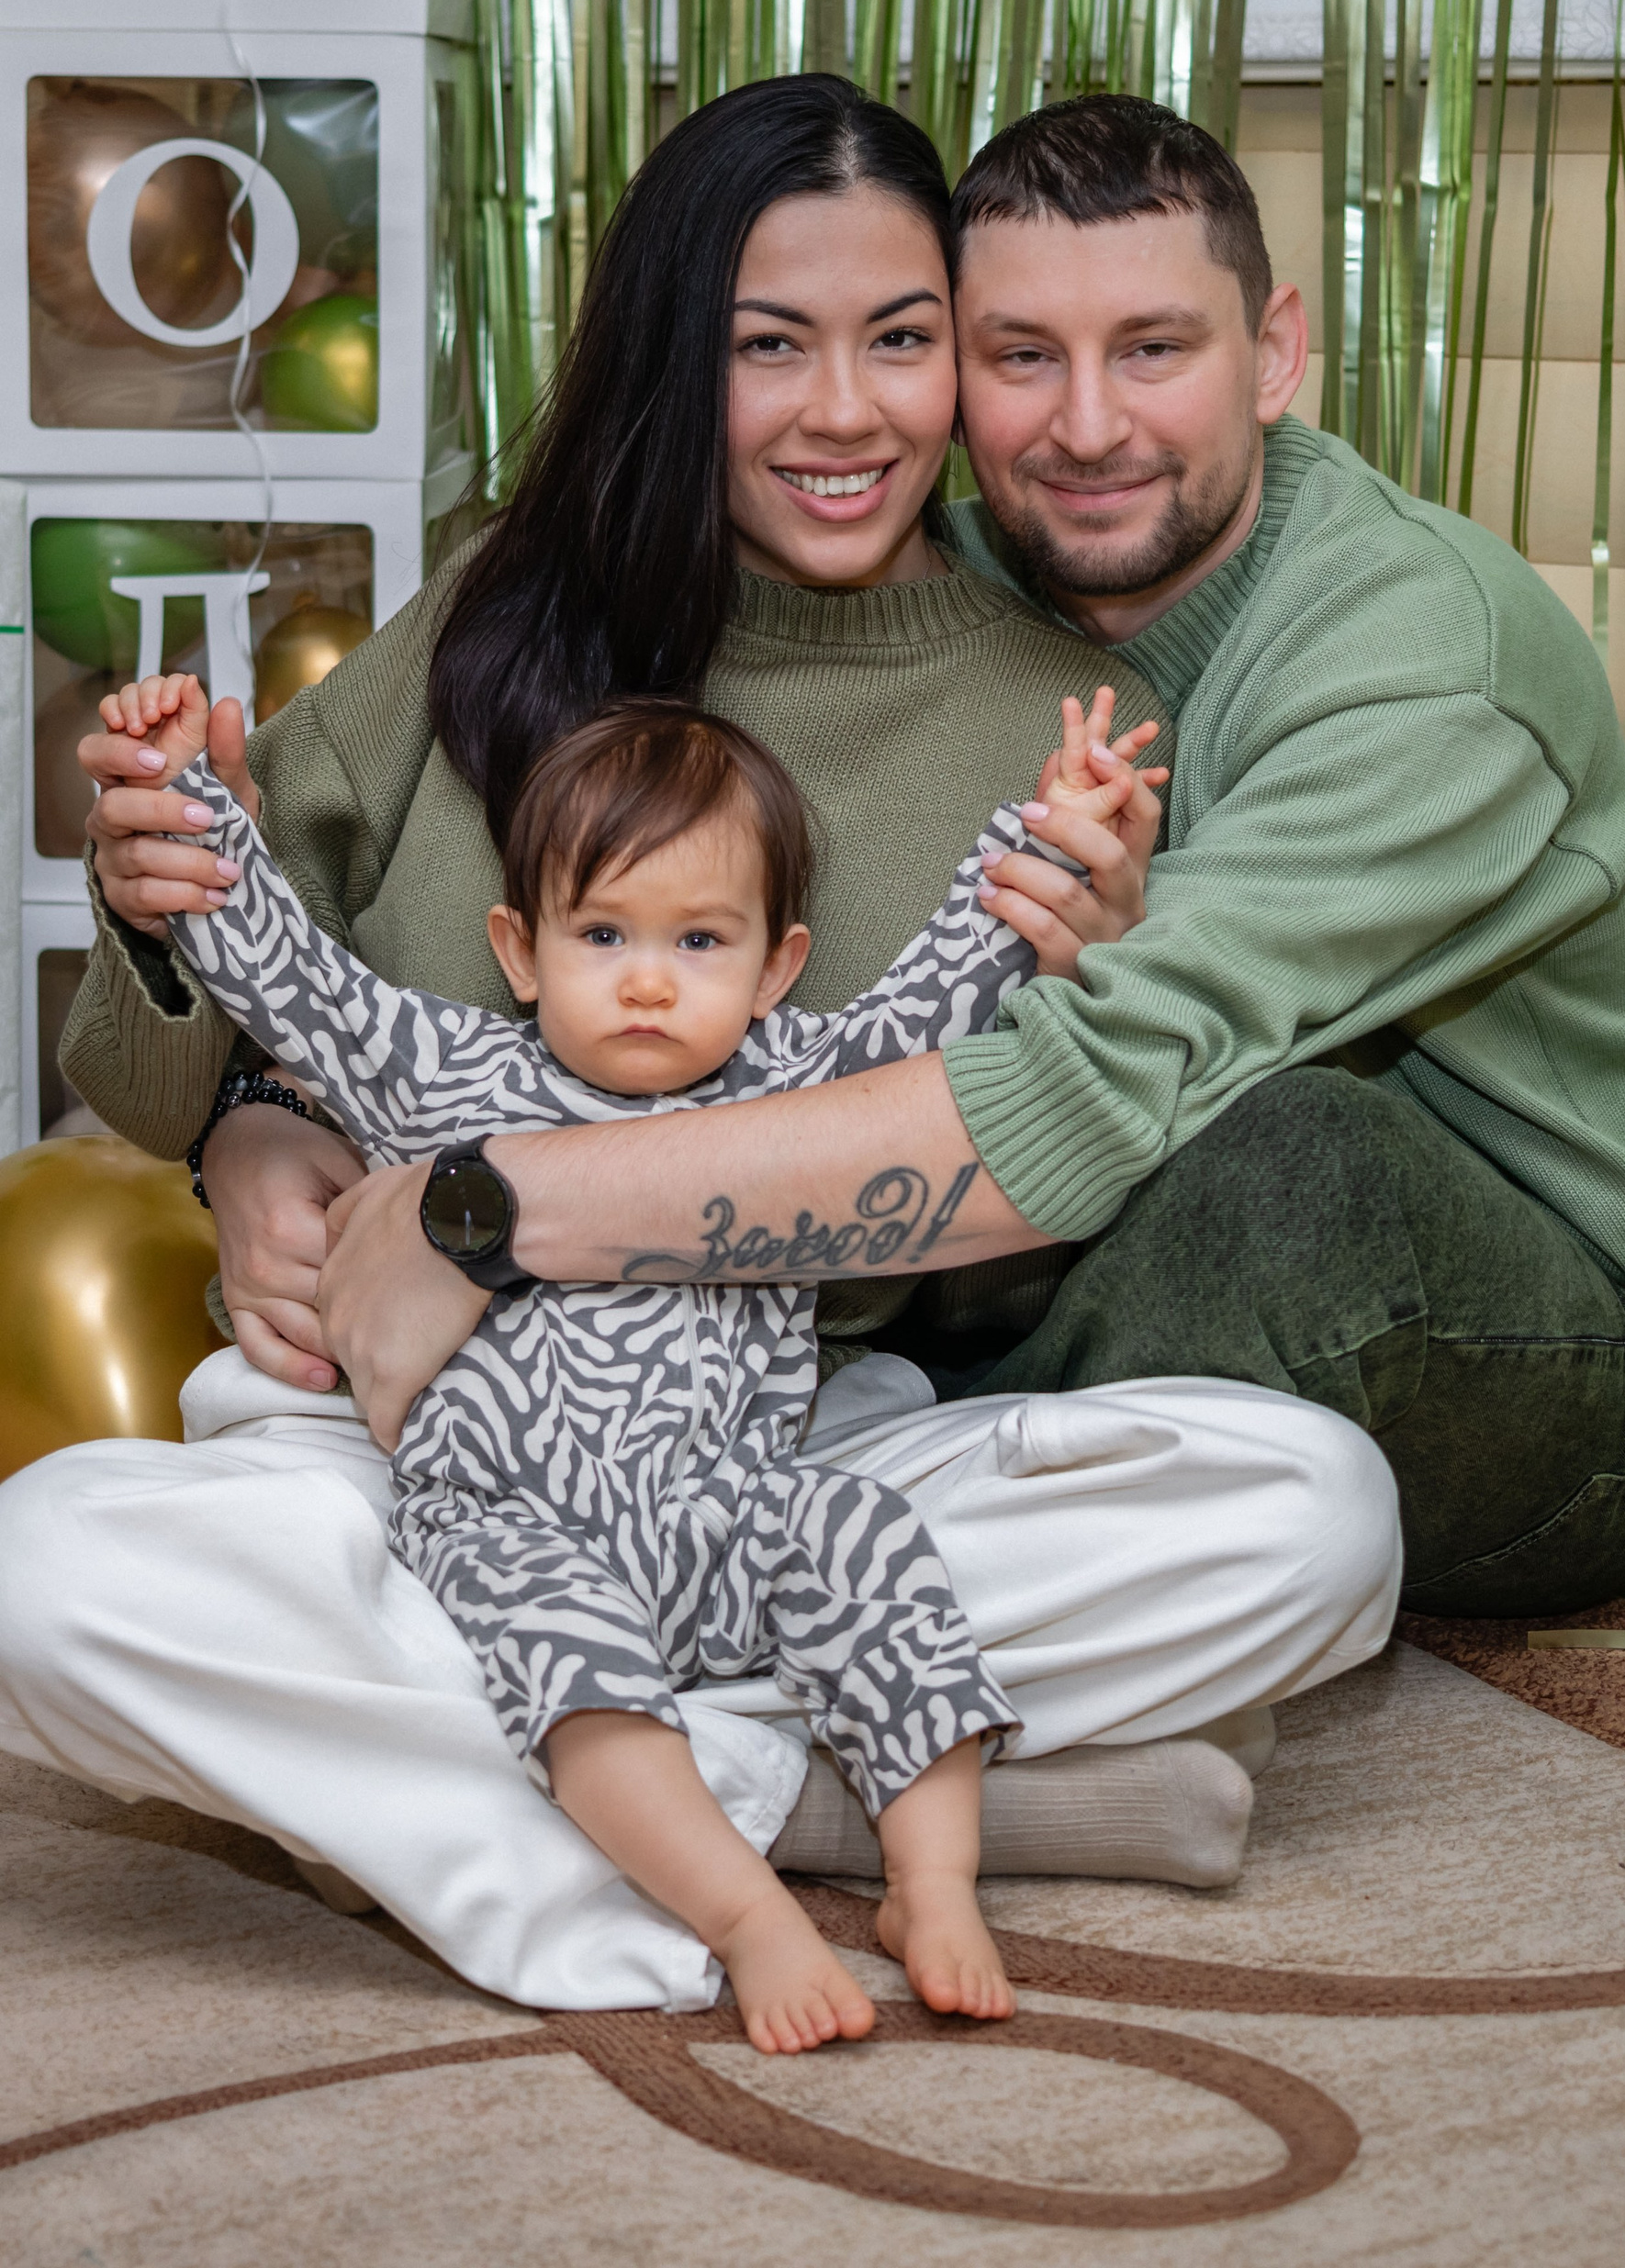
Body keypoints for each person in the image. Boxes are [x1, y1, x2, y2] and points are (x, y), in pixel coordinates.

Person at [0, 77, 1404, 2012]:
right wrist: (214, 1032)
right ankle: (817, 1809)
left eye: (902, 339)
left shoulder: (1059, 727)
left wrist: (1093, 976)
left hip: (789, 1450)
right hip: (421, 1448)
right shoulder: (503, 609)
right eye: (767, 346)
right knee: (50, 1574)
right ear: (677, 354)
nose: (846, 412)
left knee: (1315, 1522)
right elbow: (209, 1053)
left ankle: (580, 1778)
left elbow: (1004, 1241)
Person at [307, 92, 1625, 1614]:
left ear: (1274, 353)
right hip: (1072, 1301)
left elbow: (1086, 1093)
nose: (1086, 428)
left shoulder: (1424, 661)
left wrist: (497, 1204)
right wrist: (269, 1118)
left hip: (1559, 1338)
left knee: (1290, 1167)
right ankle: (800, 1562)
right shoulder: (944, 579)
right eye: (1019, 356)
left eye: (1153, 348)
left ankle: (791, 1581)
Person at [109, 670, 1160, 2048]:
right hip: (513, 1524)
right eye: (603, 933)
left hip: (728, 1510)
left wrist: (1053, 828)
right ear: (521, 947)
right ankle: (749, 1914)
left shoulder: (801, 1088)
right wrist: (186, 798)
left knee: (868, 1535)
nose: (650, 979)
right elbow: (297, 979)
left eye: (701, 940)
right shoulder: (447, 1070)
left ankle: (933, 1882)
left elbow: (945, 984)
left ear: (775, 967)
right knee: (566, 1669)